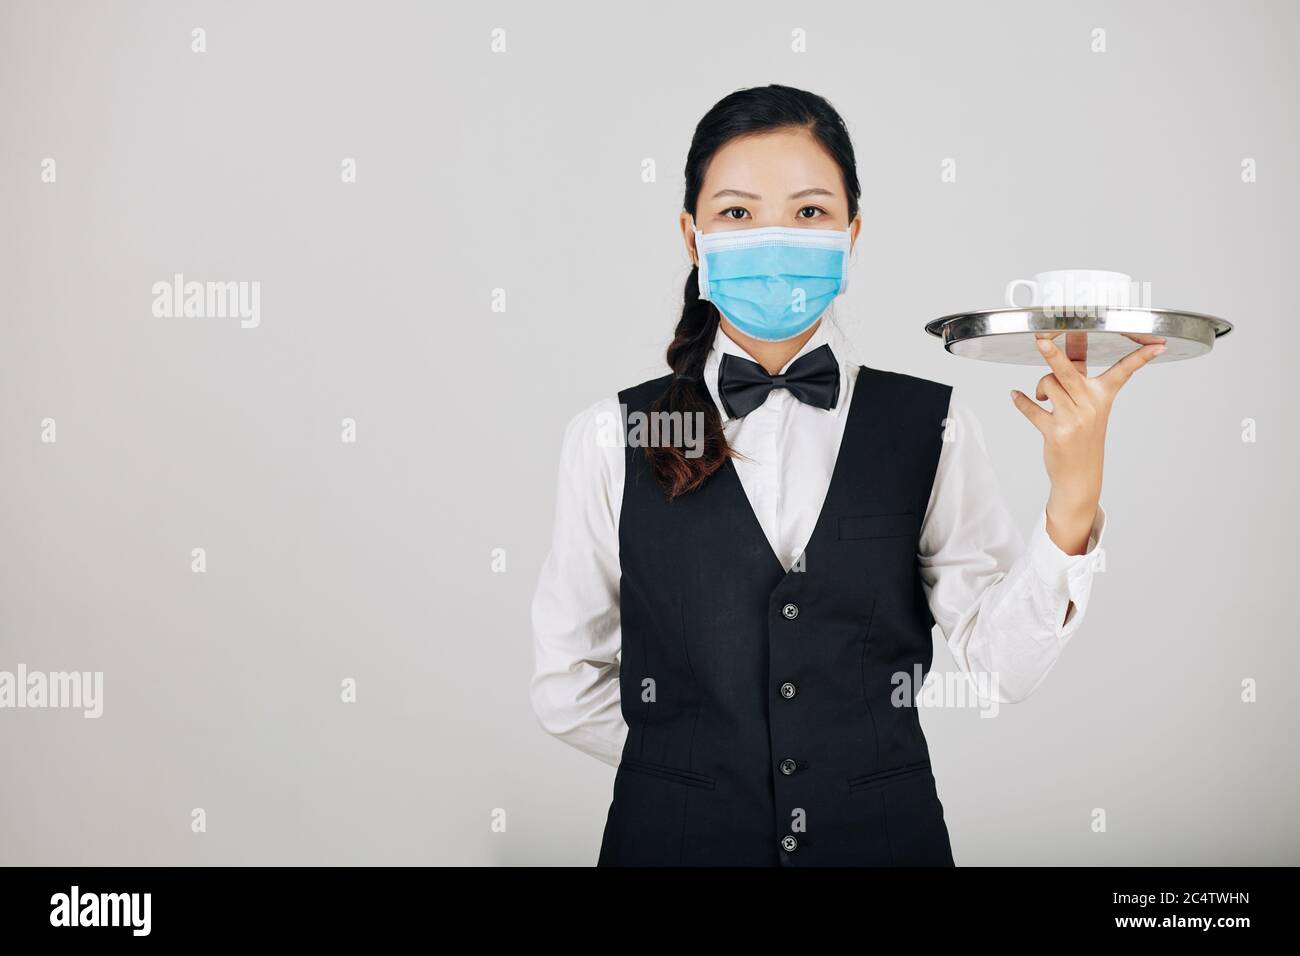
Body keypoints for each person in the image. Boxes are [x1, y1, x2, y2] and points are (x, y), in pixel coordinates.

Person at [529, 84, 1161, 866]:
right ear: (692, 238)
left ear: (852, 233)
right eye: (736, 213)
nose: (773, 237)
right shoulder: (607, 437)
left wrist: (1074, 496)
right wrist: (689, 770)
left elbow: (999, 670)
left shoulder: (927, 425)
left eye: (808, 212)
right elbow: (566, 686)